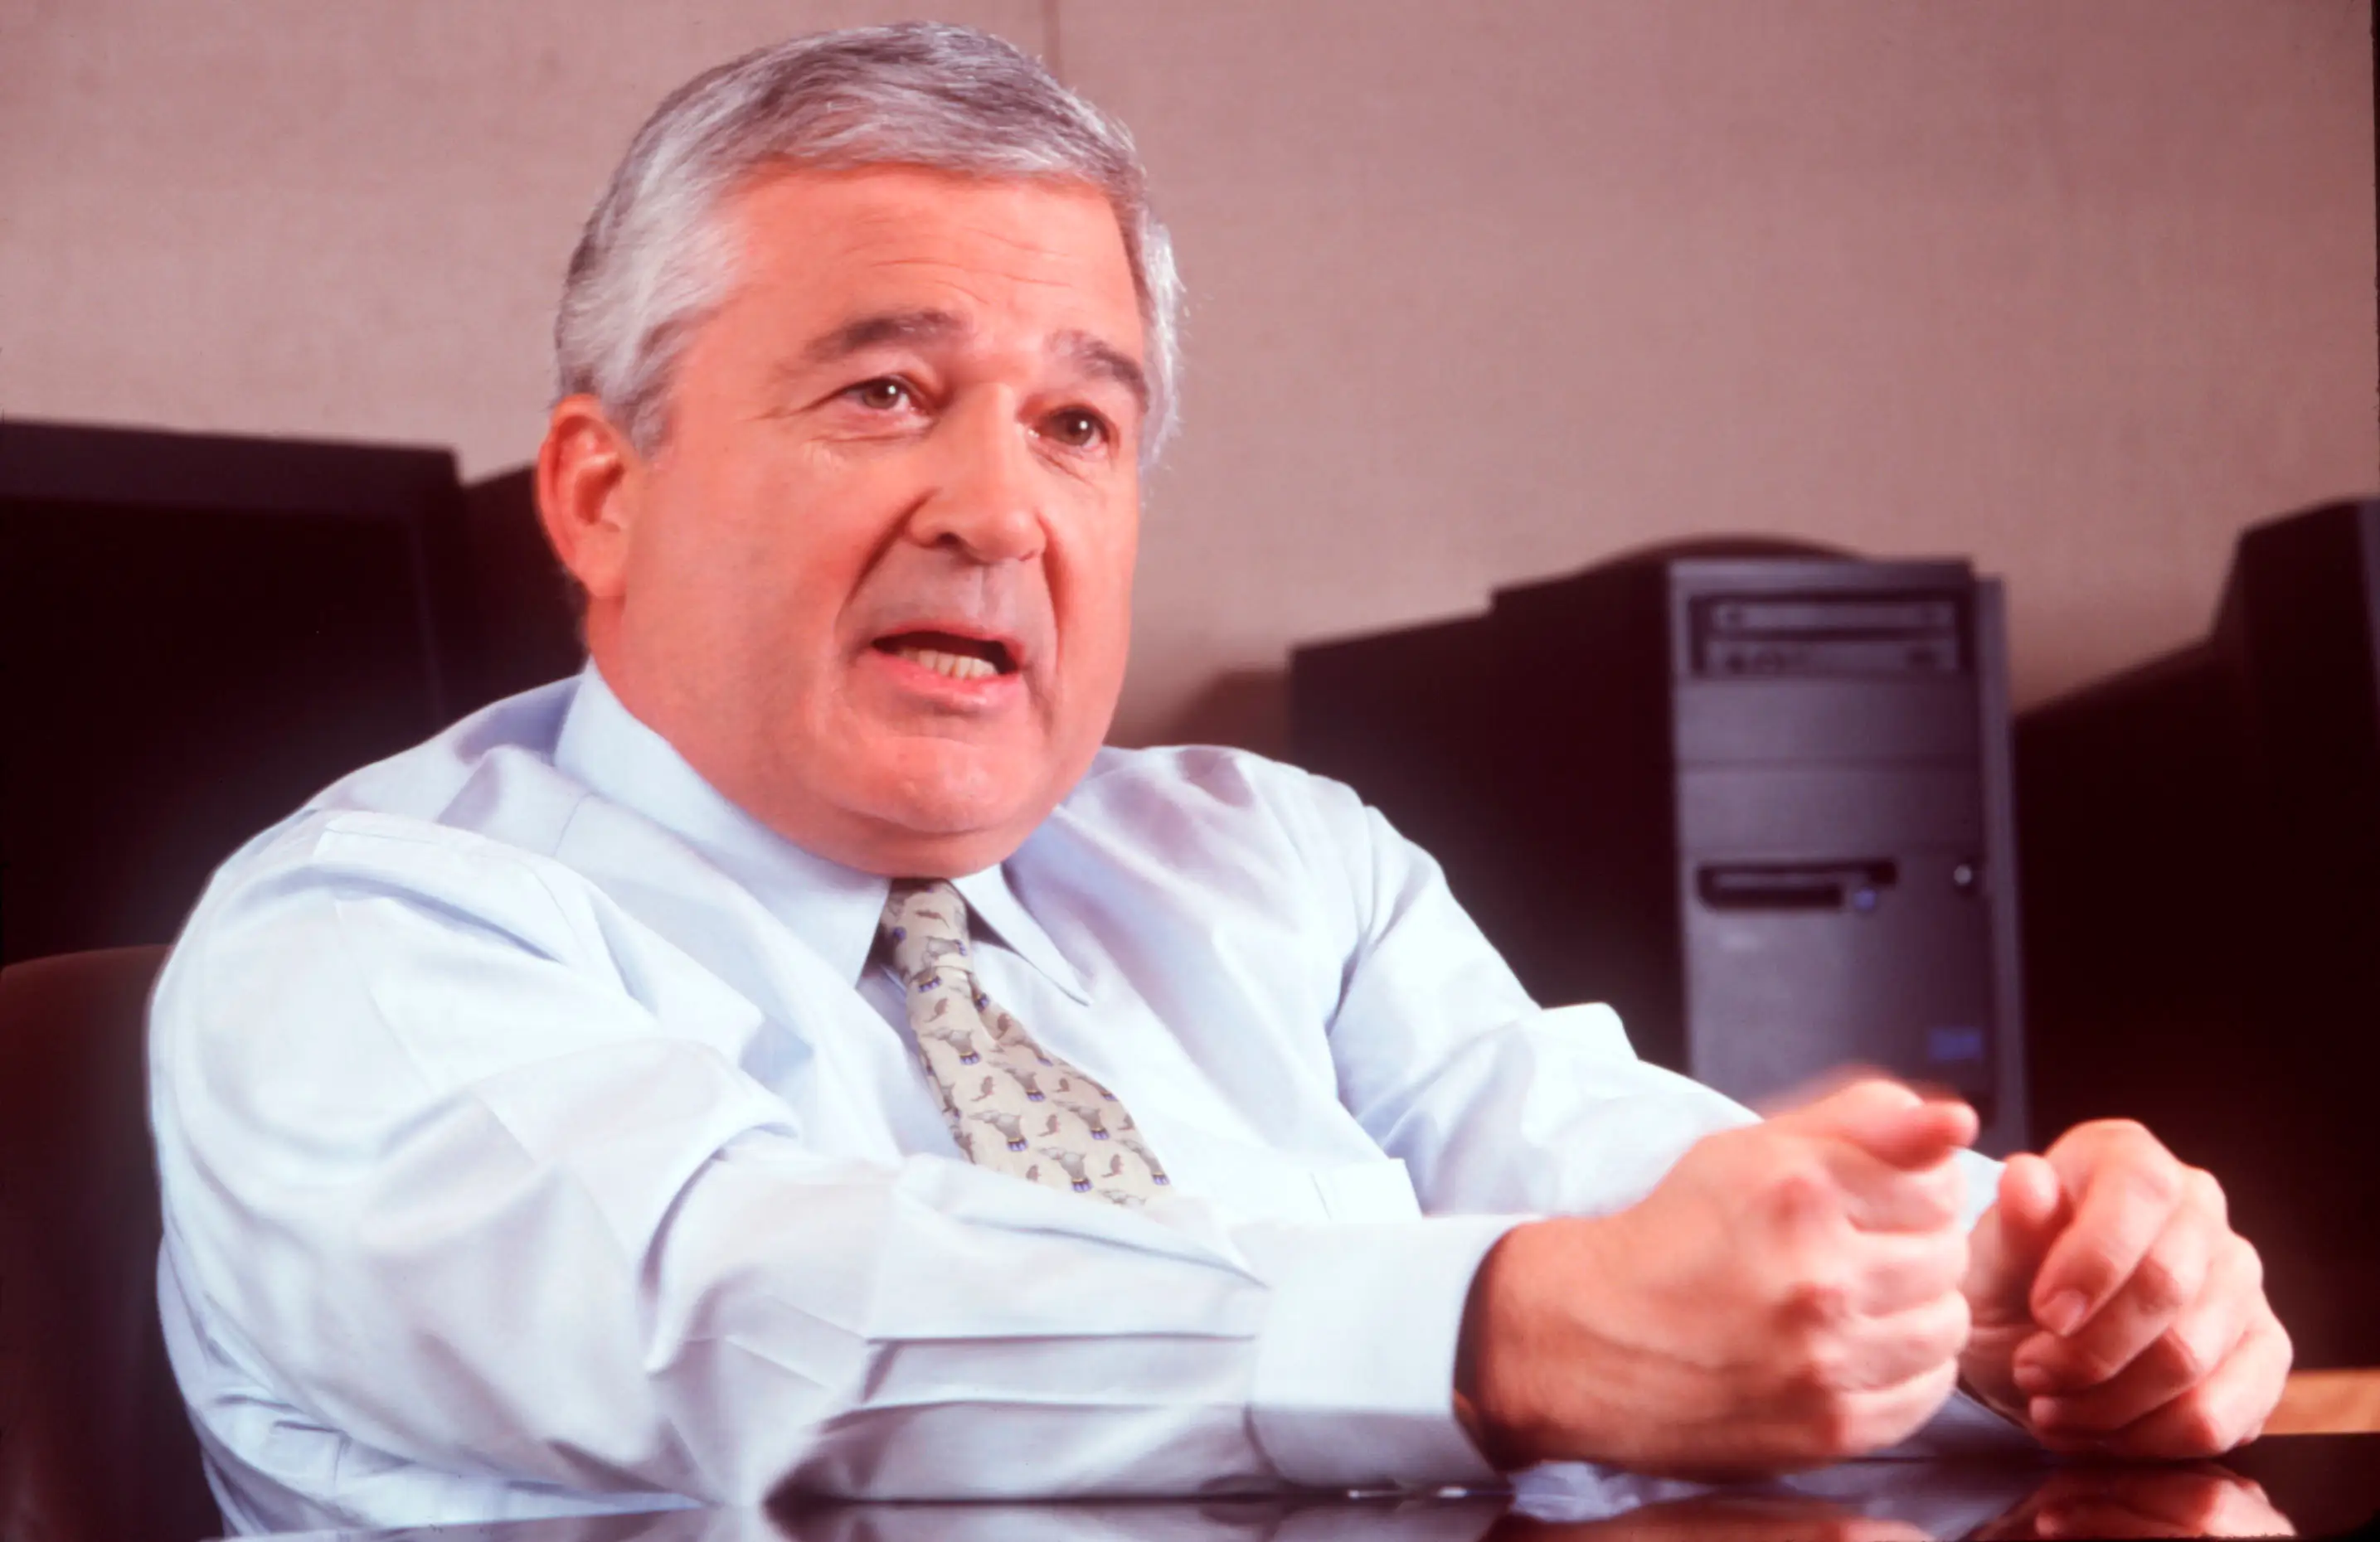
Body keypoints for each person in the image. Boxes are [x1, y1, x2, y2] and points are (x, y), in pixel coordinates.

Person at [147, 22, 2290, 1535]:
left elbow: (1650, 1196)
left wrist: (1997, 1301)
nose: (1000, 509)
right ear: (602, 493)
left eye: (1081, 424)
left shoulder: (1277, 867)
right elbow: (766, 1309)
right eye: (887, 390)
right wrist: (1506, 1326)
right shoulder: (361, 943)